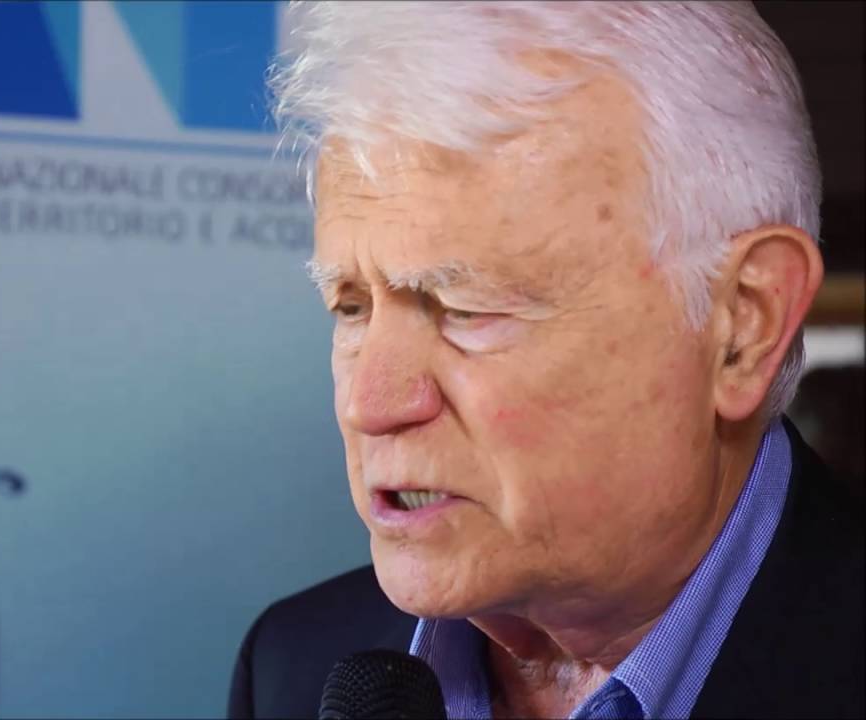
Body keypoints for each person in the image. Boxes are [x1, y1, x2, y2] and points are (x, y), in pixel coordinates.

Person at [228, 3, 864, 719]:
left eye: (465, 308)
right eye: (351, 307)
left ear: (743, 324)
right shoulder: (290, 661)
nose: (368, 405)